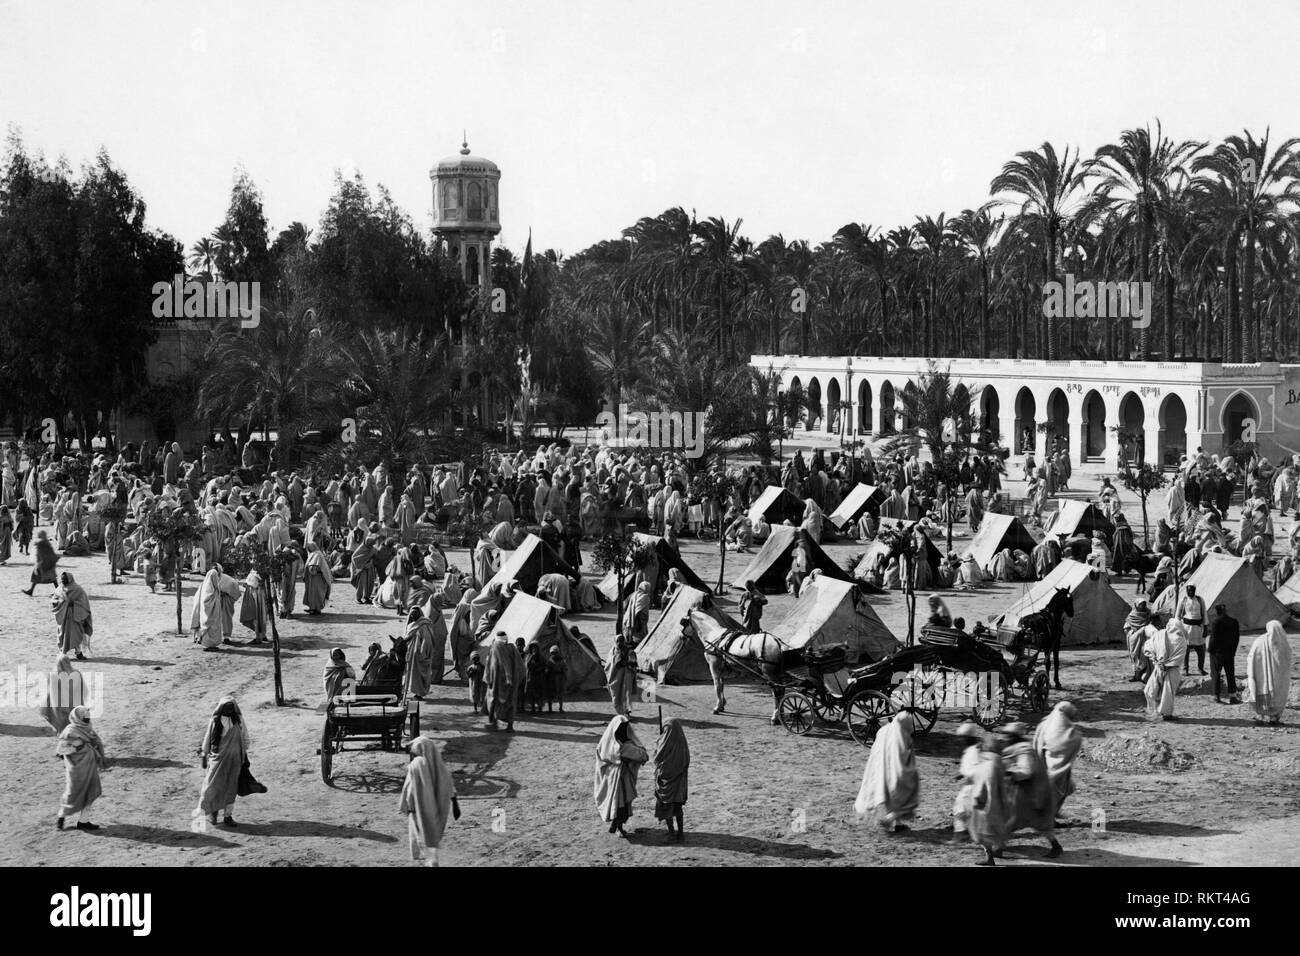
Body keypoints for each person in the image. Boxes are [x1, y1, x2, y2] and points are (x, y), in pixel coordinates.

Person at [999, 722, 1063, 858]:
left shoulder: (1023, 750)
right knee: (1014, 820)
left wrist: (1010, 773)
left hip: (1028, 794)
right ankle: (998, 847)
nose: (1005, 738)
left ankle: (997, 848)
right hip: (1020, 792)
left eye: (1008, 735)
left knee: (1014, 820)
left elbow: (1027, 771)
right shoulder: (1015, 748)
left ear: (1015, 736)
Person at [854, 711, 919, 834]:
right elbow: (904, 754)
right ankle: (890, 819)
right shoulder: (902, 734)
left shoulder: (883, 730)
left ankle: (897, 823)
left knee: (889, 795)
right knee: (904, 795)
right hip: (896, 769)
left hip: (878, 766)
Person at [399, 736, 457, 867]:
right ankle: (432, 858)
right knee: (432, 832)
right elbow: (449, 785)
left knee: (418, 831)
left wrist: (405, 803)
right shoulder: (439, 764)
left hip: (418, 805)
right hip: (437, 807)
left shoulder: (416, 764)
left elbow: (409, 786)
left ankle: (425, 860)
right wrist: (455, 803)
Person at [197, 696, 251, 827]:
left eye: (231, 707)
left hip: (235, 760)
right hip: (218, 759)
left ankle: (228, 816)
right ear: (221, 708)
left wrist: (243, 754)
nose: (229, 709)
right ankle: (212, 813)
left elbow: (245, 738)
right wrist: (204, 755)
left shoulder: (238, 720)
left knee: (231, 788)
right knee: (213, 787)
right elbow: (208, 739)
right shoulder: (215, 721)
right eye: (226, 707)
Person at [593, 714, 649, 838]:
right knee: (618, 803)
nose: (622, 731)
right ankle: (617, 825)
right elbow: (603, 760)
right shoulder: (608, 744)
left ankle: (618, 824)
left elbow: (644, 756)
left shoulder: (627, 745)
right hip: (612, 780)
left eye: (624, 728)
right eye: (620, 728)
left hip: (624, 780)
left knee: (622, 804)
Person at [55, 706, 106, 831]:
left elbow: (95, 740)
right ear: (77, 718)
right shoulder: (70, 731)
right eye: (84, 717)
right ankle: (61, 816)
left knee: (92, 791)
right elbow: (60, 751)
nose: (87, 719)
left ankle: (84, 821)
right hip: (77, 769)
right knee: (72, 793)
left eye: (87, 716)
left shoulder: (87, 728)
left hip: (90, 765)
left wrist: (95, 745)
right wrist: (77, 747)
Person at [1034, 701, 1083, 823]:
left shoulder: (1045, 724)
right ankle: (1048, 817)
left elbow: (1037, 743)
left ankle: (1049, 814)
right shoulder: (1070, 734)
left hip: (1044, 765)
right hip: (1058, 770)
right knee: (1058, 792)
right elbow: (1073, 741)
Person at [967, 739, 1009, 866]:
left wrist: (976, 799)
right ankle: (999, 850)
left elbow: (982, 784)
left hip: (986, 803)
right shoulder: (1000, 762)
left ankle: (989, 858)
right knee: (997, 828)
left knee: (981, 831)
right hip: (1000, 800)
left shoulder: (985, 764)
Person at [1246, 619, 1293, 725]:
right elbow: (1287, 659)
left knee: (1261, 692)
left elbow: (1252, 657)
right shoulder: (1284, 643)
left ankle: (1260, 716)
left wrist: (1254, 670)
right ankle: (1274, 718)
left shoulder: (1259, 641)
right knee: (1278, 695)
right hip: (1279, 679)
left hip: (1261, 677)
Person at [1143, 616, 1188, 721]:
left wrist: (1157, 661)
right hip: (1172, 670)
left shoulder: (1159, 634)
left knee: (1154, 688)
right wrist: (1166, 665)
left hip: (1159, 668)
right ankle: (1166, 714)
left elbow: (1147, 647)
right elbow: (1179, 657)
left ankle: (1155, 710)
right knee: (1168, 692)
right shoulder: (1181, 640)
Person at [653, 718, 690, 842]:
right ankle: (681, 833)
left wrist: (659, 741)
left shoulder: (664, 743)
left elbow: (657, 758)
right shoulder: (682, 744)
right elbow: (686, 762)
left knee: (667, 807)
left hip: (666, 782)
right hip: (679, 783)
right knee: (678, 808)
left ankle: (671, 833)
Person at [949, 721, 984, 845]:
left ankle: (961, 835)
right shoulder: (973, 749)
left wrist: (965, 773)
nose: (960, 741)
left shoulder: (974, 751)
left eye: (962, 738)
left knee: (960, 809)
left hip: (973, 785)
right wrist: (961, 774)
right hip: (972, 784)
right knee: (965, 810)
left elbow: (976, 770)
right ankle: (967, 833)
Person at [35, 653, 84, 734]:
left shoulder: (53, 674)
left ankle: (61, 730)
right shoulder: (77, 673)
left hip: (59, 703)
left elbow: (50, 690)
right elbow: (80, 689)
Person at [485, 630, 523, 732]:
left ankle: (492, 722)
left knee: (493, 700)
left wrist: (488, 678)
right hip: (509, 682)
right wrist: (512, 678)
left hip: (497, 681)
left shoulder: (495, 647)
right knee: (510, 702)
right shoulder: (512, 649)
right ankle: (509, 726)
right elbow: (520, 666)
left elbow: (489, 664)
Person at [52, 572, 93, 660]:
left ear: (70, 579)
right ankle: (63, 653)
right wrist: (62, 603)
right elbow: (54, 600)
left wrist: (73, 604)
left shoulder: (77, 589)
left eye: (65, 579)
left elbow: (84, 603)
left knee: (76, 635)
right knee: (62, 635)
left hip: (75, 616)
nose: (63, 581)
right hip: (63, 617)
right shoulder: (59, 589)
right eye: (62, 579)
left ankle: (78, 653)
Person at [1207, 604, 1241, 704]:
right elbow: (1236, 639)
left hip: (1217, 653)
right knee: (1230, 674)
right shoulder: (1234, 622)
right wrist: (1233, 651)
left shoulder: (1216, 622)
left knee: (1216, 674)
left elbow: (1213, 638)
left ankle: (1217, 696)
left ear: (1217, 612)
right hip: (1229, 652)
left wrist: (1210, 650)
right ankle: (1233, 696)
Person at [402, 607, 437, 701]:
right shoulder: (411, 625)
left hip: (418, 655)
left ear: (420, 614)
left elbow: (427, 642)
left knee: (418, 675)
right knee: (409, 673)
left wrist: (422, 654)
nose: (413, 616)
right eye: (412, 614)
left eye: (415, 614)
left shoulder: (423, 626)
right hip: (410, 653)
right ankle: (408, 691)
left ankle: (418, 694)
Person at [606, 633, 638, 717]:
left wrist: (626, 663)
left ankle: (626, 713)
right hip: (615, 678)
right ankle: (620, 713)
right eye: (617, 641)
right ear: (615, 642)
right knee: (616, 696)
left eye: (621, 641)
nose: (619, 643)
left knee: (625, 695)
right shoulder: (612, 651)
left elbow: (633, 664)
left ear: (624, 642)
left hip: (626, 677)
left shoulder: (630, 652)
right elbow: (608, 665)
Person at [1179, 585, 1207, 676]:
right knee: (1185, 649)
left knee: (1201, 649)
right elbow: (1177, 615)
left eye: (1192, 590)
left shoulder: (1200, 600)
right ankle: (1185, 669)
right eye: (1188, 590)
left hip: (1198, 628)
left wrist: (1205, 627)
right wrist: (1178, 628)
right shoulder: (1183, 600)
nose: (1190, 592)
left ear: (1195, 590)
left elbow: (1204, 613)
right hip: (1186, 628)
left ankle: (1200, 668)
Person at [22, 529, 59, 596]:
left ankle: (31, 591)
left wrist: (39, 563)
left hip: (42, 564)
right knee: (52, 578)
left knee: (38, 577)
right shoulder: (47, 543)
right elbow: (51, 553)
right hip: (48, 563)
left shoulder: (40, 544)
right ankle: (31, 590)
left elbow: (39, 554)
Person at [1124, 600, 1153, 683]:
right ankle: (1137, 676)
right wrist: (1135, 634)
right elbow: (1126, 628)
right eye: (1141, 605)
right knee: (1136, 657)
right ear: (1136, 605)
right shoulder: (1132, 616)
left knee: (1145, 657)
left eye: (1144, 604)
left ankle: (1146, 676)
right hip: (1134, 640)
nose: (1143, 606)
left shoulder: (1148, 614)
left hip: (1145, 640)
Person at [304, 543, 332, 614]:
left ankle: (316, 609)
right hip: (313, 579)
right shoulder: (315, 554)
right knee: (313, 593)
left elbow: (314, 568)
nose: (308, 549)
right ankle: (312, 608)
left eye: (309, 547)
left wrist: (311, 570)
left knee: (317, 593)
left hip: (317, 578)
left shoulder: (317, 554)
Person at [546, 645, 568, 714]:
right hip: (552, 679)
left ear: (558, 653)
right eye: (552, 653)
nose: (554, 655)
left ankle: (560, 708)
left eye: (555, 653)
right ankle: (550, 709)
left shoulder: (562, 661)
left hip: (559, 679)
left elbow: (565, 669)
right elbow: (547, 669)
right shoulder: (549, 661)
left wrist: (562, 673)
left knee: (560, 694)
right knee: (551, 694)